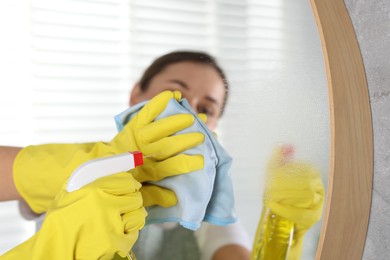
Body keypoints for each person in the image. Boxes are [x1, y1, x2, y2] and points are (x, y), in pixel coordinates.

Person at [0, 51, 252, 259]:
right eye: (177, 96)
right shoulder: (75, 171)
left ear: (214, 125)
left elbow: (231, 245)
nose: (190, 114)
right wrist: (103, 161)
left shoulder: (208, 200)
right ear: (136, 96)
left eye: (206, 109)